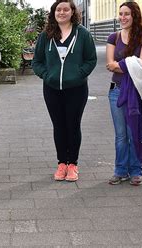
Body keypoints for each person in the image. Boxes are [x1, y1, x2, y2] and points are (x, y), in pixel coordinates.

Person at [32, 0, 97, 182]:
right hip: (52, 89)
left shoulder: (82, 34)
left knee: (73, 125)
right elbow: (37, 61)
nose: (62, 12)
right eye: (58, 9)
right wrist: (47, 75)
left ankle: (73, 164)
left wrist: (78, 75)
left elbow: (91, 60)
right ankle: (62, 163)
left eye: (65, 9)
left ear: (72, 12)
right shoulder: (46, 35)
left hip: (76, 89)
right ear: (53, 13)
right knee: (59, 126)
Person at [105, 1, 142, 186]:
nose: (122, 17)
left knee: (135, 131)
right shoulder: (113, 37)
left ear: (135, 16)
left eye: (127, 14)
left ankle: (136, 170)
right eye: (121, 14)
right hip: (116, 91)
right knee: (121, 134)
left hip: (138, 91)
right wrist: (131, 64)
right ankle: (120, 170)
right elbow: (109, 65)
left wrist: (121, 65)